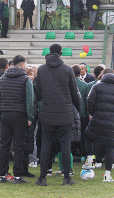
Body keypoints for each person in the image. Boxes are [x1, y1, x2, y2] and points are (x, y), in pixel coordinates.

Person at [35, 44, 81, 187]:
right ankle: (67, 177)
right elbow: (74, 92)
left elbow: (38, 92)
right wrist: (77, 109)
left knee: (46, 145)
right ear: (61, 53)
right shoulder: (67, 69)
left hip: (47, 113)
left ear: (49, 52)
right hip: (65, 114)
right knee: (65, 146)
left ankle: (42, 177)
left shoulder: (41, 69)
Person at [82, 68, 114, 183]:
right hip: (111, 122)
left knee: (88, 137)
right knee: (110, 148)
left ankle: (90, 159)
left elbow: (90, 102)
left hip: (97, 119)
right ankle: (107, 174)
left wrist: (94, 113)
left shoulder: (97, 86)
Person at [0, 55, 34, 184]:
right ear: (22, 65)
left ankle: (2, 175)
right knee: (18, 146)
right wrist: (30, 116)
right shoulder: (25, 79)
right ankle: (17, 175)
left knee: (3, 145)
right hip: (20, 115)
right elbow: (29, 100)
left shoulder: (3, 78)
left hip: (5, 114)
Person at [71, 64, 90, 159]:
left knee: (70, 134)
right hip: (82, 114)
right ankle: (82, 153)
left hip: (69, 112)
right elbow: (87, 100)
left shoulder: (67, 83)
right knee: (82, 134)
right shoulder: (84, 85)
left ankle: (72, 152)